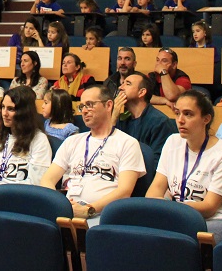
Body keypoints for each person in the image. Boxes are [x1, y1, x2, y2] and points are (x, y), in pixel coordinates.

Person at [147, 90, 222, 242]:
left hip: (216, 218)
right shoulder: (172, 142)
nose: (180, 120)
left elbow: (209, 207)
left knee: (175, 237)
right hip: (177, 212)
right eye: (178, 113)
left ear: (206, 119)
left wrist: (171, 211)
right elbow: (155, 189)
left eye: (188, 114)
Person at [40, 85, 145, 225]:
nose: (84, 111)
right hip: (67, 212)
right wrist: (61, 206)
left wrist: (89, 209)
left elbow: (125, 191)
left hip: (103, 216)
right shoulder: (72, 141)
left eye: (89, 105)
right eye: (82, 106)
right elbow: (47, 180)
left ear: (108, 105)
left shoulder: (127, 143)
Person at [0, 86, 53, 197]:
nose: (4, 113)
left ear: (24, 112)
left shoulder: (39, 140)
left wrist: (2, 194)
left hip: (21, 200)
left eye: (11, 109)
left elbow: (36, 182)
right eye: (3, 107)